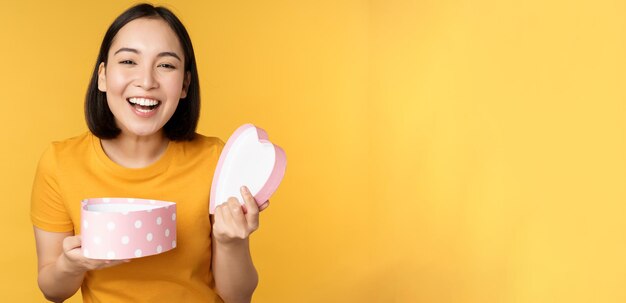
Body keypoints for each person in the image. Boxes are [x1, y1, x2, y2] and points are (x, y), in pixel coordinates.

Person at [31, 4, 265, 303]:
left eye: (166, 65)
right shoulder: (59, 162)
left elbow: (239, 297)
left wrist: (231, 240)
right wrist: (71, 265)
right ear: (103, 76)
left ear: (184, 85)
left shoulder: (216, 159)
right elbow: (52, 290)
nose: (147, 81)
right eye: (129, 61)